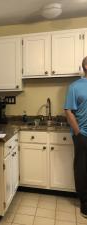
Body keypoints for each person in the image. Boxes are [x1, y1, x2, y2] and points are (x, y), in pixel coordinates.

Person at [64, 56, 87, 218]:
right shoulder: (75, 86)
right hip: (83, 135)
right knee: (82, 169)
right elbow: (68, 111)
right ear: (85, 66)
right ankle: (85, 203)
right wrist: (78, 132)